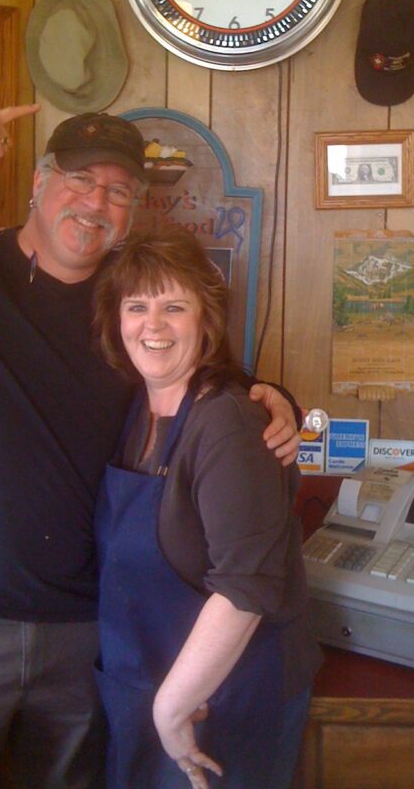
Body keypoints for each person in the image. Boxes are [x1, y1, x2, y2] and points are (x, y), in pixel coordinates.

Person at [0, 107, 301, 789]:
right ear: (39, 184)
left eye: (118, 191)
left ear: (132, 212)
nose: (96, 202)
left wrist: (268, 394)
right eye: (80, 179)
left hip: (85, 631)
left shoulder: (126, 304)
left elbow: (191, 375)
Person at [93, 226, 322, 789]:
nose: (153, 325)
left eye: (175, 306)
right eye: (137, 306)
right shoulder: (135, 409)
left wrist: (172, 709)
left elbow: (246, 587)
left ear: (206, 319)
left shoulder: (229, 422)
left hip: (226, 702)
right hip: (153, 687)